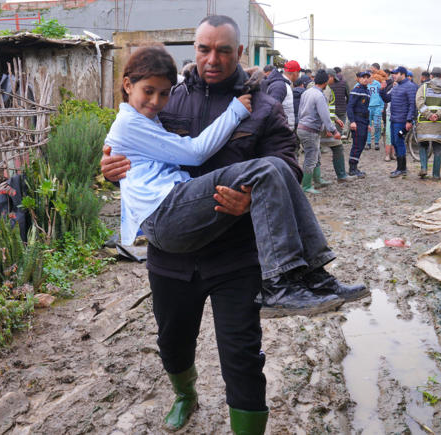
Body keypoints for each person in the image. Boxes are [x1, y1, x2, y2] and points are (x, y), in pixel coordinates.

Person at [100, 16, 366, 434]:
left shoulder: (263, 106)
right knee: (173, 342)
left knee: (242, 358)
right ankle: (185, 395)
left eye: (223, 50)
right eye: (204, 49)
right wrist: (110, 170)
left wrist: (251, 199)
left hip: (235, 254)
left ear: (239, 52)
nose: (212, 58)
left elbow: (288, 167)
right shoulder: (170, 99)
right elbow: (142, 154)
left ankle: (306, 277)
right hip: (173, 256)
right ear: (194, 49)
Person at [297, 69, 343, 192]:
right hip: (310, 129)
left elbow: (300, 111)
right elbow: (325, 116)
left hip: (302, 127)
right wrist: (334, 131)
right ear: (326, 81)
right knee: (311, 157)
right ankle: (306, 185)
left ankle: (317, 180)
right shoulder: (319, 95)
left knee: (316, 155)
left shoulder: (306, 92)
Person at [414, 66, 441, 180]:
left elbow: (419, 102)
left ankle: (424, 168)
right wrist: (438, 115)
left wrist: (429, 114)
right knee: (438, 148)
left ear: (431, 76)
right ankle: (436, 175)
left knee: (422, 145)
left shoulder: (424, 87)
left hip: (424, 122)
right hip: (439, 123)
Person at [380, 66, 417, 177]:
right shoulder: (396, 87)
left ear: (402, 74)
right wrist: (382, 90)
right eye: (393, 73)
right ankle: (400, 168)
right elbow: (387, 99)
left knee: (399, 142)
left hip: (402, 121)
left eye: (395, 73)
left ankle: (402, 169)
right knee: (395, 143)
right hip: (393, 120)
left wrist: (409, 120)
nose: (393, 75)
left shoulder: (410, 87)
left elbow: (412, 105)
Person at [319, 68, 353, 182]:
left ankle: (315, 179)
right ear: (329, 77)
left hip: (315, 126)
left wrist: (336, 118)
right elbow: (323, 110)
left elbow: (328, 109)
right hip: (322, 126)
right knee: (338, 146)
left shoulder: (312, 87)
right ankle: (341, 175)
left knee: (313, 152)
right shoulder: (325, 90)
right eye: (333, 78)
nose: (334, 81)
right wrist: (330, 128)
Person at [347, 70, 373, 177]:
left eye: (367, 77)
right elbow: (350, 107)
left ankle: (355, 167)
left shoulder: (367, 91)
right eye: (363, 77)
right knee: (357, 145)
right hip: (357, 121)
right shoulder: (356, 91)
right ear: (358, 79)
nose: (365, 79)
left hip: (363, 121)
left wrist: (367, 123)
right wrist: (352, 121)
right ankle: (352, 169)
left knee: (361, 144)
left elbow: (365, 109)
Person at [366, 66, 385, 151]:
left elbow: (381, 95)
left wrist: (382, 106)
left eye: (369, 76)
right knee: (368, 126)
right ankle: (368, 143)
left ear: (372, 76)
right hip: (367, 108)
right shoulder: (363, 85)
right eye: (365, 77)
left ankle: (377, 142)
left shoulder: (377, 84)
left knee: (377, 125)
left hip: (377, 107)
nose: (367, 78)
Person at [332, 67, 350, 144]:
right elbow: (348, 95)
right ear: (340, 72)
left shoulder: (330, 83)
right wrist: (346, 104)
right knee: (340, 125)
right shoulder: (344, 83)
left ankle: (332, 140)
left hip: (332, 108)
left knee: (332, 125)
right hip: (342, 108)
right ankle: (337, 142)